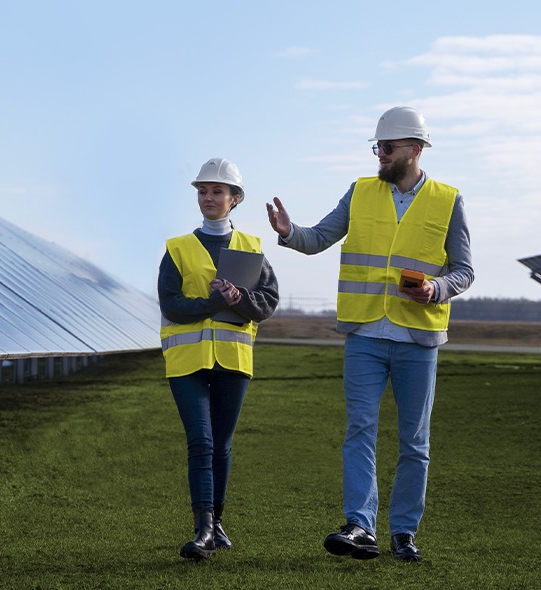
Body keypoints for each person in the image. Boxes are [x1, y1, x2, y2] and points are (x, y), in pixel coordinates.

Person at [265, 107, 473, 563]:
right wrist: (288, 233)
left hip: (418, 340)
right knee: (359, 430)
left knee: (414, 443)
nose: (380, 154)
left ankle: (404, 532)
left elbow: (464, 271)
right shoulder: (359, 192)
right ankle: (361, 526)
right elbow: (319, 236)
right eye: (377, 147)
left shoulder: (448, 199)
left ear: (414, 150)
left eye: (388, 147)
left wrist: (437, 289)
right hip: (364, 335)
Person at [159, 157, 280, 561]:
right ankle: (204, 530)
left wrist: (239, 298)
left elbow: (266, 304)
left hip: (233, 359)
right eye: (202, 191)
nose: (208, 197)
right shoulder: (176, 248)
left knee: (222, 445)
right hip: (186, 362)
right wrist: (214, 301)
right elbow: (171, 304)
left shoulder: (253, 248)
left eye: (217, 191)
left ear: (235, 199)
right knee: (202, 441)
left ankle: (218, 522)